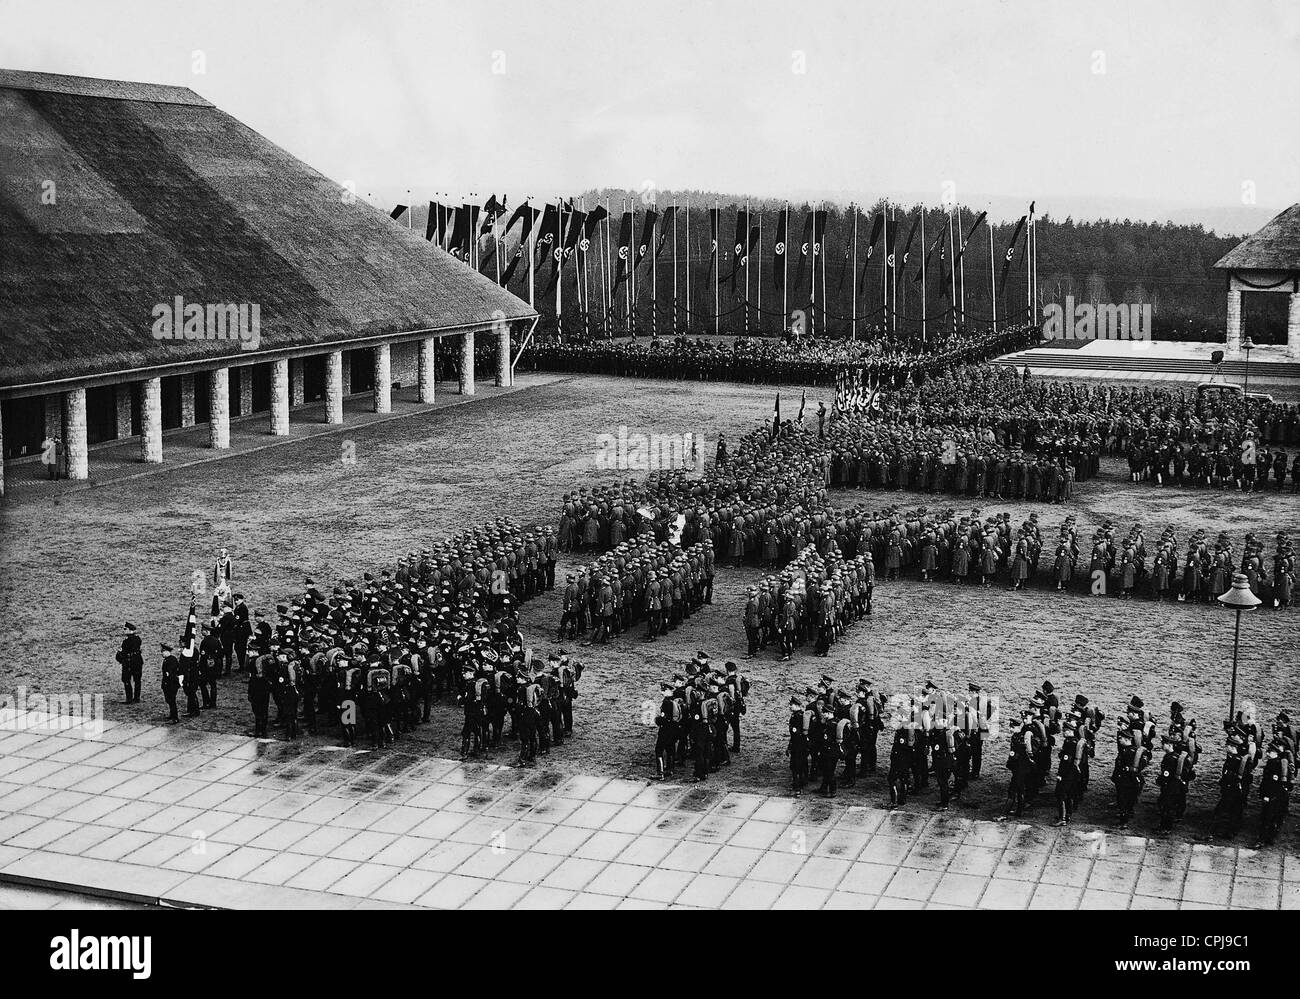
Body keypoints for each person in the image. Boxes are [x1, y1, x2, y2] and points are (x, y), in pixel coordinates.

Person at [116, 622, 143, 704]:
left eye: (125, 629)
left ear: (131, 630)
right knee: (137, 680)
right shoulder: (138, 639)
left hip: (129, 662)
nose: (124, 631)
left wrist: (120, 655)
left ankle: (129, 698)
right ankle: (136, 698)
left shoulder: (127, 641)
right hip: (137, 661)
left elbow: (123, 652)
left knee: (126, 680)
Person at [160, 643, 180, 723]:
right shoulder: (167, 660)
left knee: (172, 700)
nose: (162, 653)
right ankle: (172, 715)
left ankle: (175, 718)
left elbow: (170, 674)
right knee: (169, 700)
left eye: (163, 651)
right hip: (167, 683)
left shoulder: (172, 660)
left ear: (168, 652)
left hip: (171, 684)